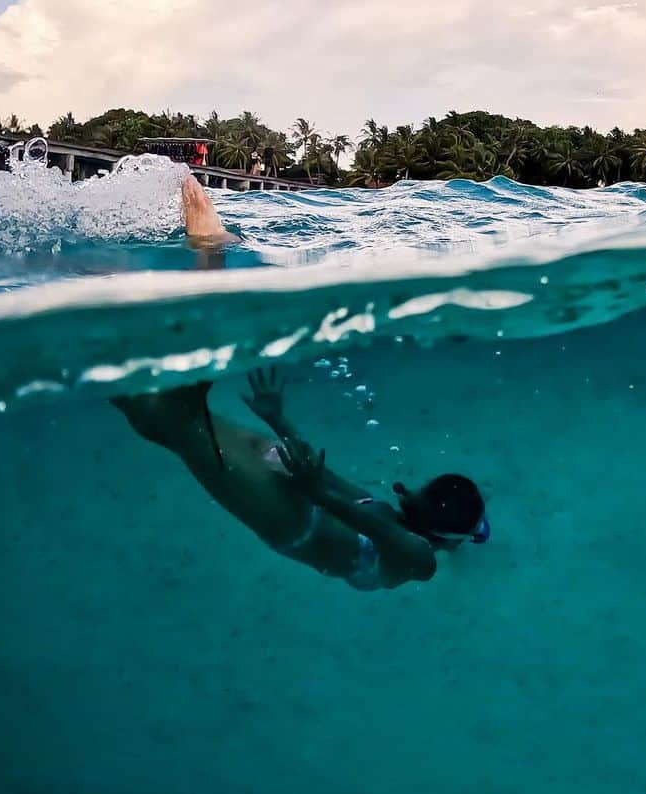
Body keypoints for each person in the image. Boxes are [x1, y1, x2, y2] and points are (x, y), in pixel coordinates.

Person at [111, 175, 489, 590]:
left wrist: (316, 491)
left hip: (294, 520)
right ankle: (178, 286)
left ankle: (207, 271)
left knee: (177, 425)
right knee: (162, 421)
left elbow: (359, 518)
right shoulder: (400, 521)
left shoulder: (419, 558)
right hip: (299, 501)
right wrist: (280, 422)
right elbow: (331, 483)